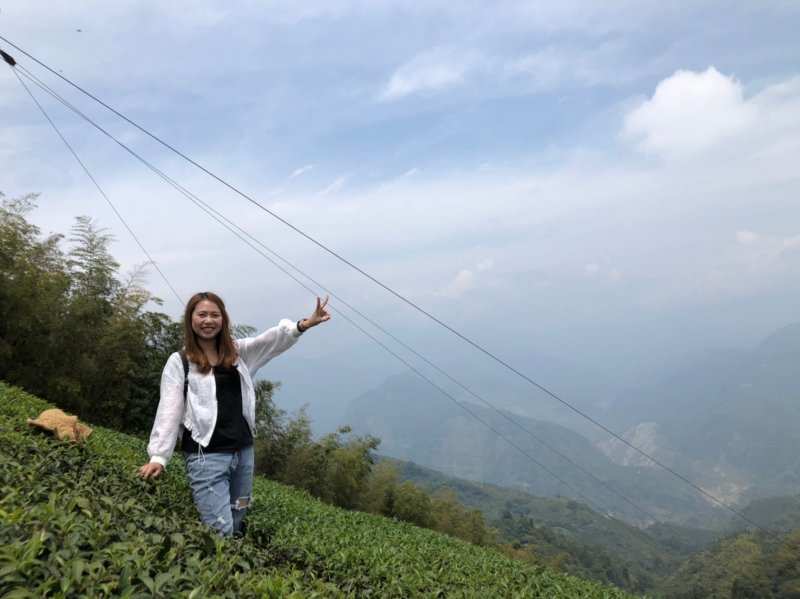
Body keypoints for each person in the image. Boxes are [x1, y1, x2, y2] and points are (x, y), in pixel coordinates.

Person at [137, 291, 331, 537]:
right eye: (202, 315)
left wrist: (303, 325)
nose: (208, 320)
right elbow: (169, 410)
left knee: (238, 515)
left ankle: (230, 568)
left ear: (223, 319)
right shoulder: (180, 362)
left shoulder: (238, 353)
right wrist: (159, 456)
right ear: (191, 320)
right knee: (220, 529)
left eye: (215, 315)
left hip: (243, 454)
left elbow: (269, 341)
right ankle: (216, 572)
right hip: (206, 457)